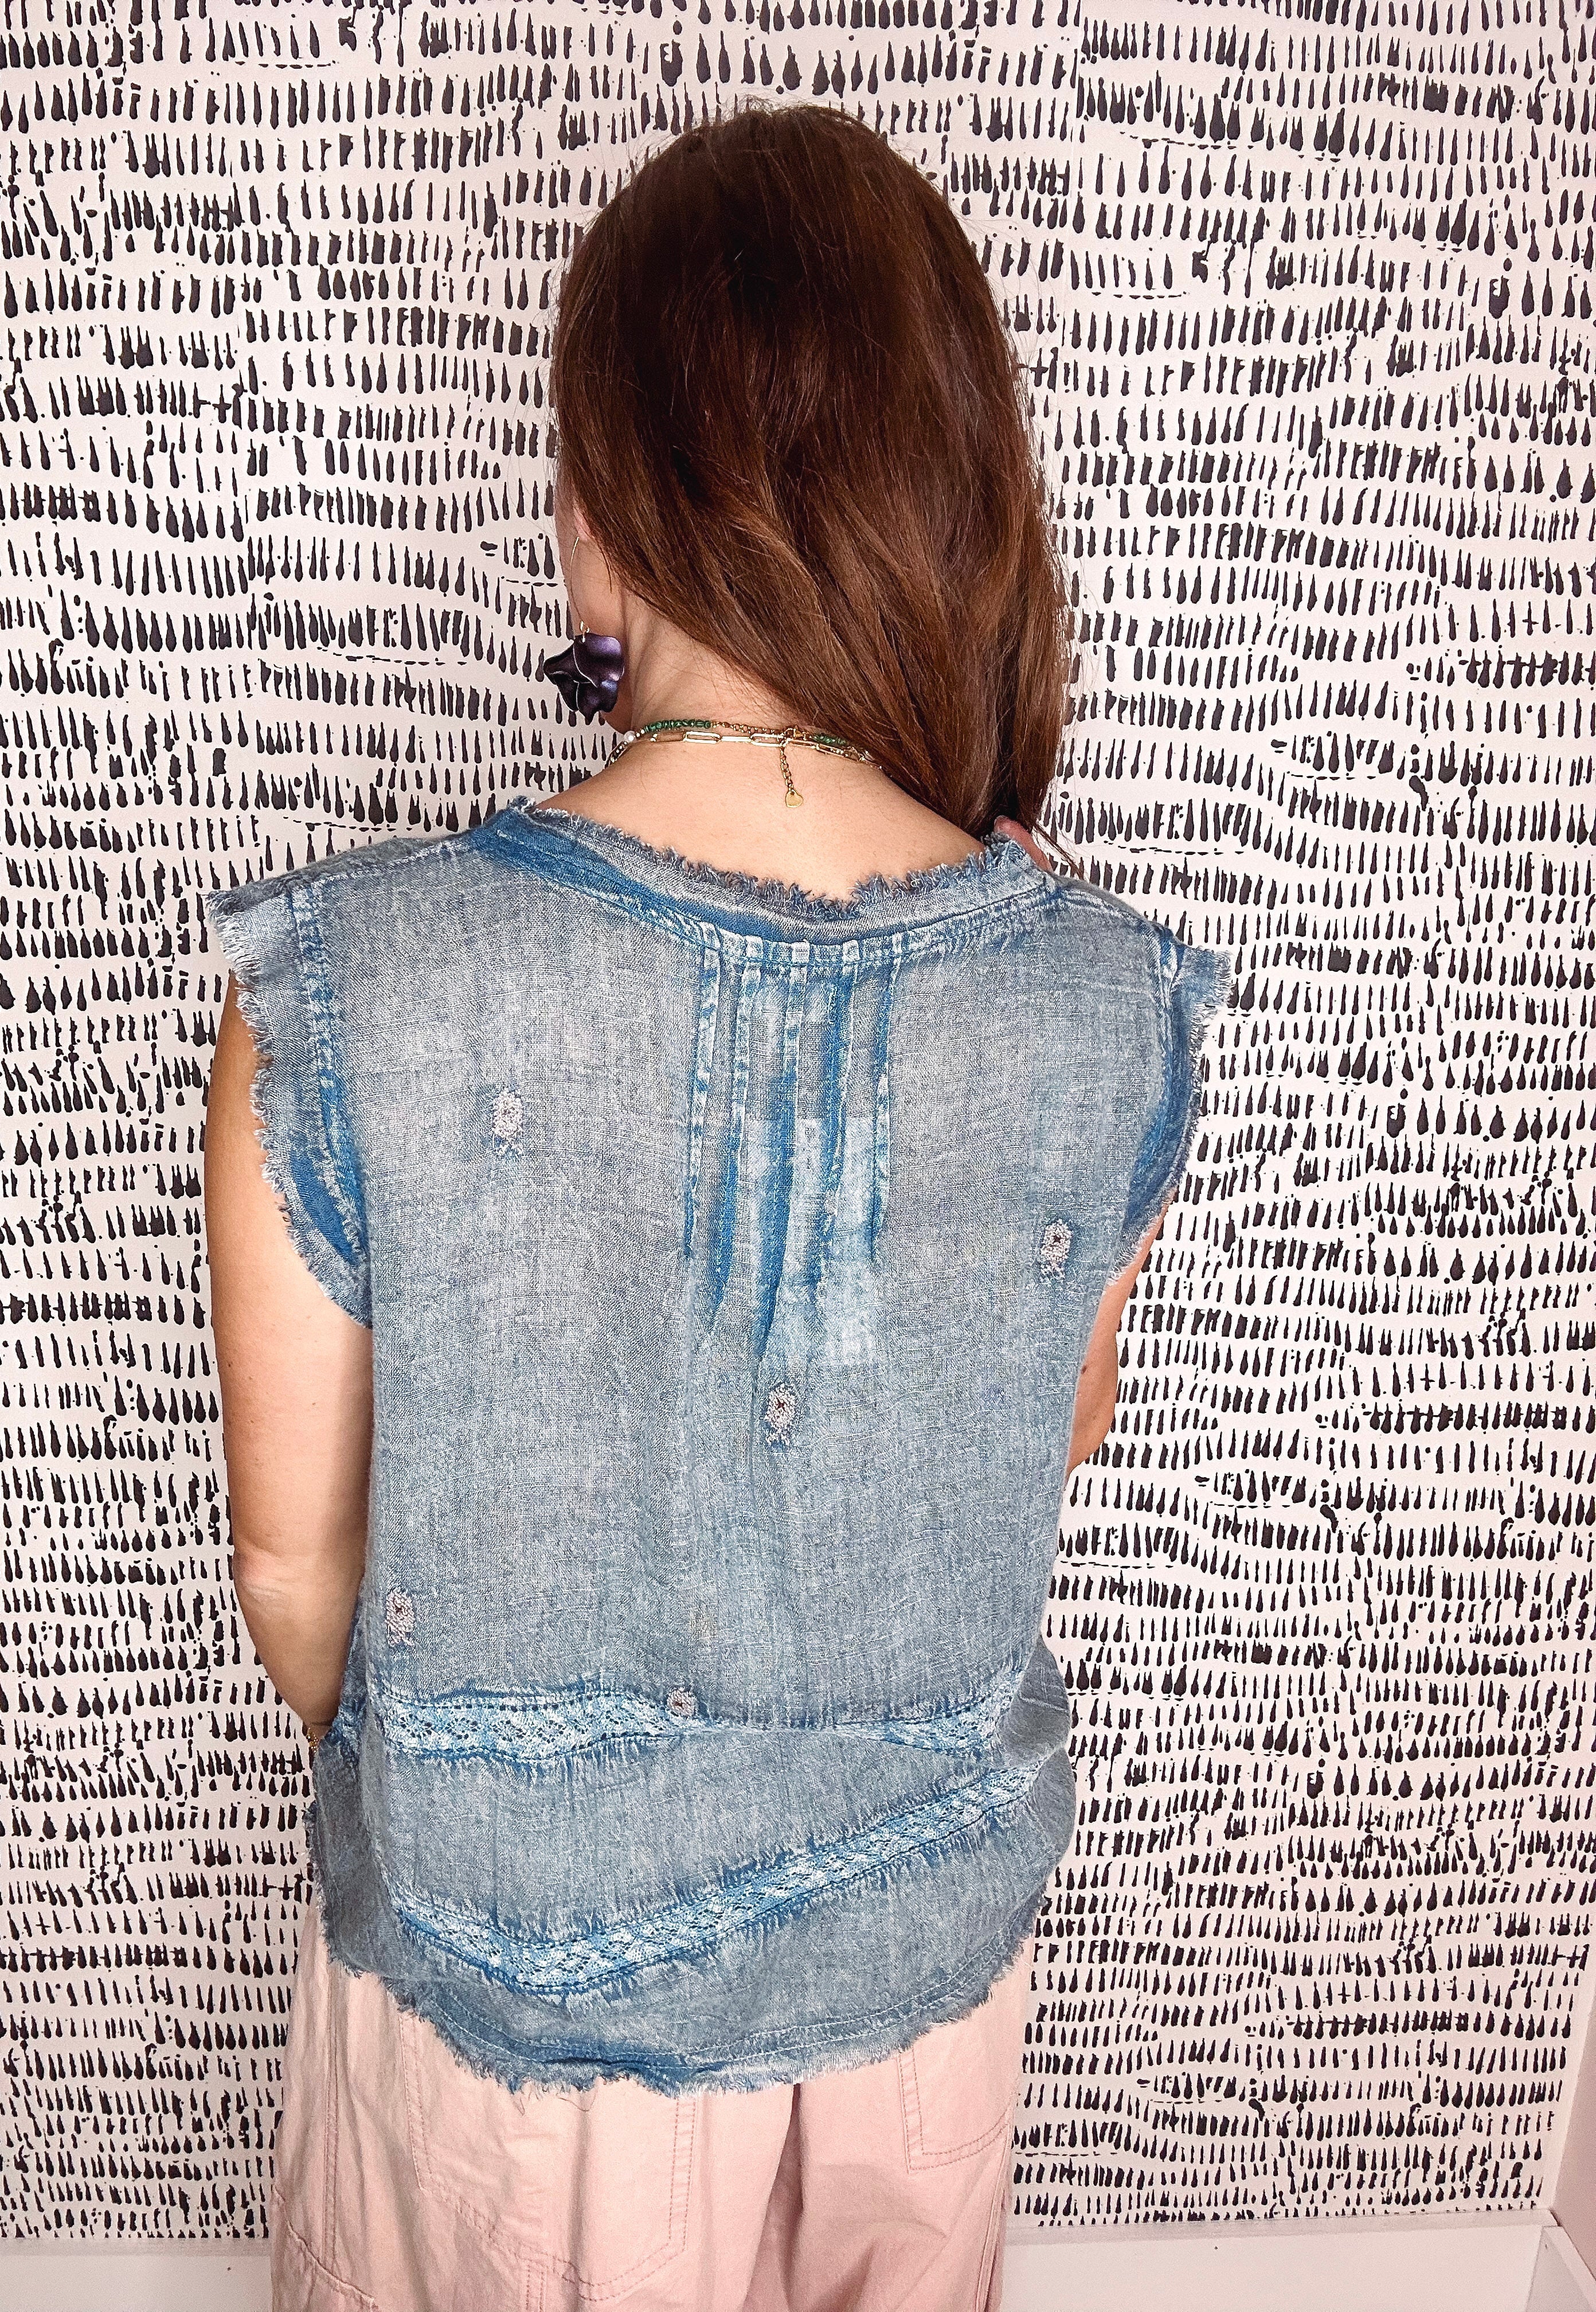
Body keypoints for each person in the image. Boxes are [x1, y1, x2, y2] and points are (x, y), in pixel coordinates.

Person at [202, 103, 1229, 2312]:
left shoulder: (356, 977)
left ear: (605, 502)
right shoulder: (1104, 995)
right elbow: (1034, 1433)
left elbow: (298, 1573)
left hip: (509, 2024)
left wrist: (511, 1769)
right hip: (918, 2007)